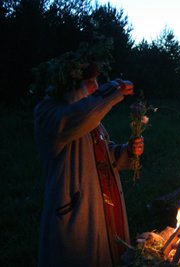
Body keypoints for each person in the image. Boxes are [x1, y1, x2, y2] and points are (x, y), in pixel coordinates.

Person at [34, 56, 144, 266]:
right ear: (71, 84)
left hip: (105, 206)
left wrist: (127, 151)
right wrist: (112, 90)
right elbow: (78, 117)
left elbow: (104, 154)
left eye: (97, 82)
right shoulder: (48, 113)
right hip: (77, 212)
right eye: (90, 82)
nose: (96, 87)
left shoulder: (90, 119)